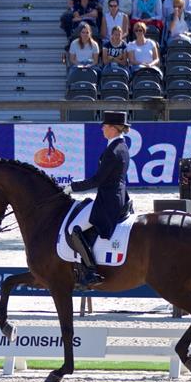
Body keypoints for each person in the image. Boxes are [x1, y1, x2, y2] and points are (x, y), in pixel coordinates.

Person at [62, 111, 132, 288]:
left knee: (73, 228)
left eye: (105, 126)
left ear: (114, 128)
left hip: (108, 200)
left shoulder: (114, 150)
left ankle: (90, 272)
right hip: (116, 195)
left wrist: (73, 187)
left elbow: (98, 180)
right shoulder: (120, 146)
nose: (102, 128)